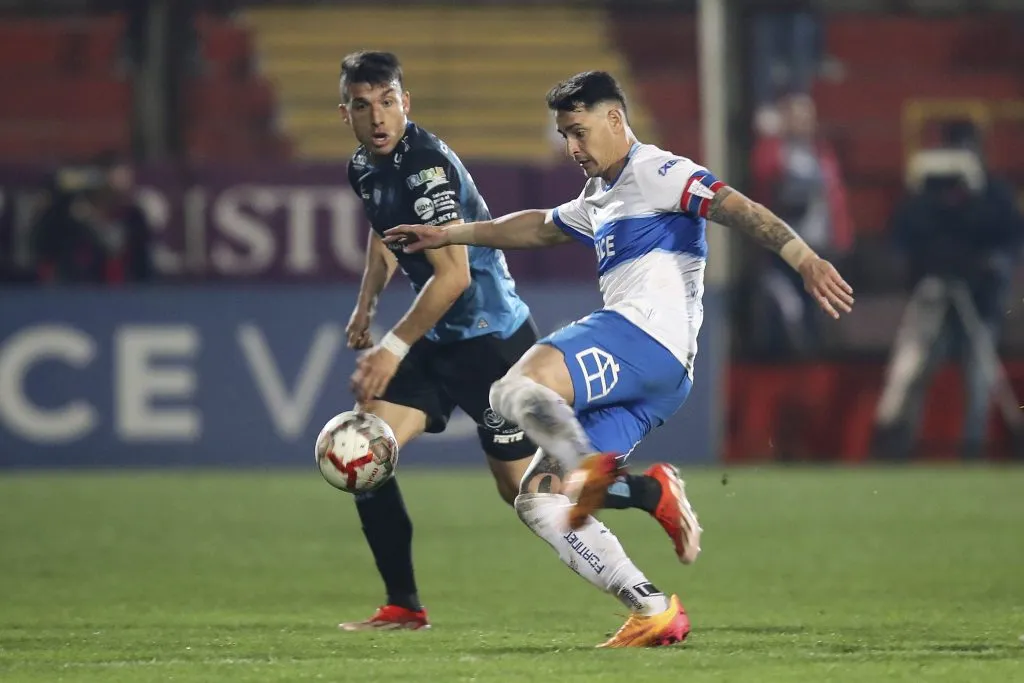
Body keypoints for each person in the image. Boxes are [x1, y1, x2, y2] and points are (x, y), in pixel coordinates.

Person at [385, 71, 854, 647]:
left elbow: (737, 207)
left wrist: (804, 258)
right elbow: (539, 227)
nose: (572, 147)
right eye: (565, 135)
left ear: (614, 119)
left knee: (513, 389)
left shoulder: (658, 171)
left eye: (579, 132)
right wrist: (452, 233)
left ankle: (605, 473)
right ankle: (652, 605)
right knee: (538, 499)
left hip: (644, 337)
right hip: (663, 379)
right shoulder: (597, 197)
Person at [337, 53, 692, 632]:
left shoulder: (425, 167)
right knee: (365, 452)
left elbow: (453, 278)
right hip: (437, 337)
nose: (377, 116)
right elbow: (386, 235)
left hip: (491, 343)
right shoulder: (364, 167)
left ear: (406, 103)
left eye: (387, 102)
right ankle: (403, 605)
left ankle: (648, 494)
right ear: (346, 112)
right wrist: (366, 305)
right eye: (363, 104)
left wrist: (390, 347)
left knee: (530, 493)